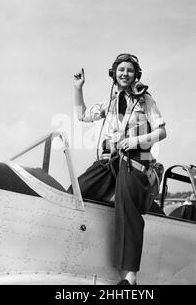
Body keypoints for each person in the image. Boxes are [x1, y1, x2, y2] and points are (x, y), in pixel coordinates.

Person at [72, 53, 167, 285]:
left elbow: (162, 132)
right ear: (113, 74)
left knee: (127, 209)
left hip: (137, 159)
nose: (125, 74)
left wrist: (135, 141)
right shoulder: (111, 102)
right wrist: (78, 88)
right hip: (111, 159)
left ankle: (129, 276)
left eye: (130, 70)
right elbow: (82, 115)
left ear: (136, 75)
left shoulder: (146, 100)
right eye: (121, 70)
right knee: (76, 190)